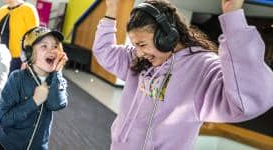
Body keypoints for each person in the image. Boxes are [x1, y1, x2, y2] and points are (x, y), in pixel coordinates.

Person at [93, 0, 273, 149]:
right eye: (136, 45)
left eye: (142, 44)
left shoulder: (203, 67)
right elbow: (104, 51)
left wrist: (233, 17)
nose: (139, 52)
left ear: (167, 37)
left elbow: (248, 99)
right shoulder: (141, 60)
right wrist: (111, 11)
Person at [0, 26, 68, 150]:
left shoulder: (56, 78)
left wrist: (57, 73)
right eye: (44, 46)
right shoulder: (17, 78)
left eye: (55, 46)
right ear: (29, 53)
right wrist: (34, 101)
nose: (52, 50)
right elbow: (3, 120)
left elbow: (57, 104)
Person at [0, 0, 40, 74]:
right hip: (0, 56)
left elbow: (35, 37)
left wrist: (28, 60)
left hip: (17, 59)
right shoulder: (2, 10)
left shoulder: (28, 9)